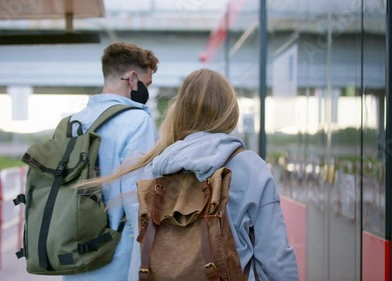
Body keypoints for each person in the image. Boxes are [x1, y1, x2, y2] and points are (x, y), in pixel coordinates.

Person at [83, 68, 299, 280]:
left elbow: (143, 252)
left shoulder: (156, 168)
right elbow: (276, 257)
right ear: (230, 113)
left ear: (181, 111)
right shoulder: (249, 167)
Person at [63, 42, 159, 281]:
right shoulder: (137, 121)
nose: (146, 92)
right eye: (146, 84)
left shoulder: (73, 122)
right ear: (132, 78)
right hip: (116, 259)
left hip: (73, 256)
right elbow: (138, 200)